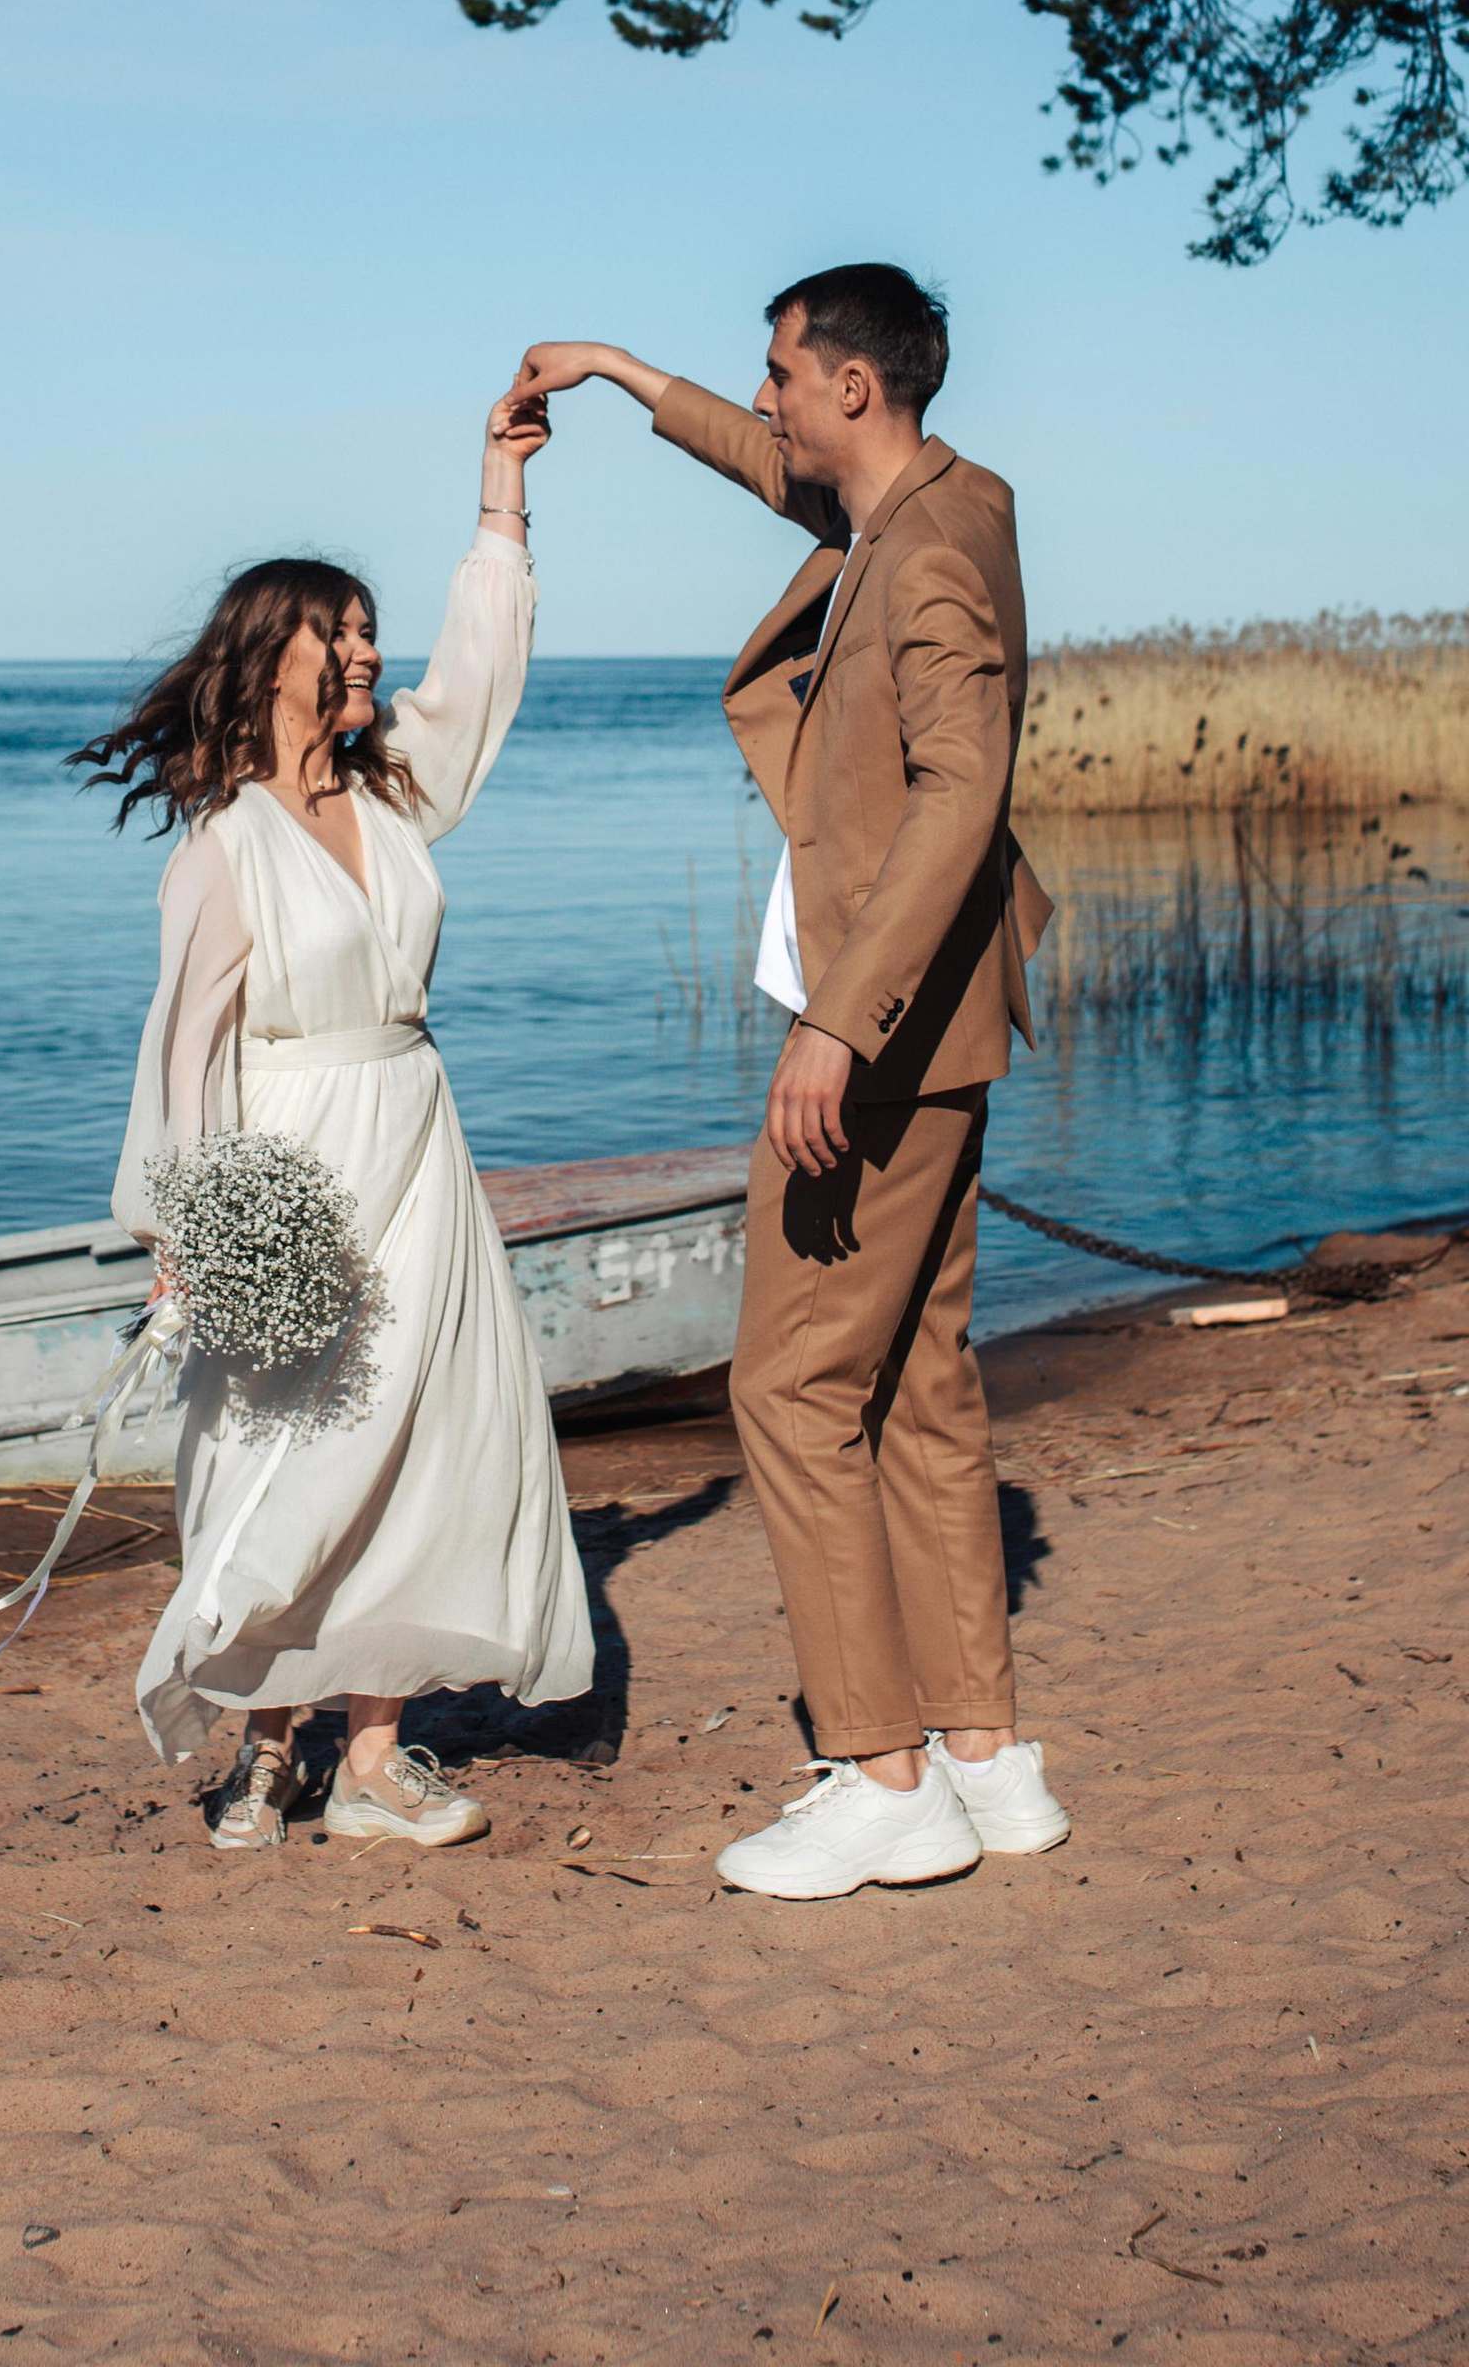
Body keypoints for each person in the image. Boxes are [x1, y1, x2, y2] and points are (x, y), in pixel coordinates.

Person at [515, 268, 1068, 1899]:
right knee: (920, 1384)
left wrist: (836, 1022)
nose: (765, 401)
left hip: (884, 1031)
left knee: (792, 1392)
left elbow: (961, 800)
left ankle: (880, 1772)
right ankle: (982, 1755)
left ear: (850, 388)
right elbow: (775, 471)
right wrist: (622, 376)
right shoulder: (931, 500)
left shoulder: (934, 563)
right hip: (940, 1021)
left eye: (778, 376)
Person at [73, 389, 594, 1852]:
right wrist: (188, 1233)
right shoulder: (226, 847)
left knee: (428, 1442)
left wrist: (502, 498)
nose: (370, 654)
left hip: (418, 1144)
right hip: (292, 1166)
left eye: (371, 633)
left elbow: (481, 678)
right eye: (344, 635)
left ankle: (374, 1758)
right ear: (275, 658)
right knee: (277, 1449)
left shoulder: (394, 795)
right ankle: (264, 1742)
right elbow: (184, 1052)